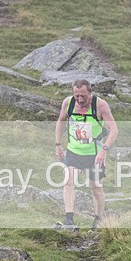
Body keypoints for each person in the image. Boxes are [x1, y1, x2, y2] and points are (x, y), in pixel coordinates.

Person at [55, 79, 118, 229]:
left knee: (95, 187)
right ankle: (69, 219)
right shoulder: (68, 103)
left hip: (94, 154)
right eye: (77, 96)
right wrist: (58, 144)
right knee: (68, 181)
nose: (80, 99)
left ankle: (98, 220)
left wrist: (104, 150)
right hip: (74, 151)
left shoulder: (100, 105)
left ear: (90, 93)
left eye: (83, 96)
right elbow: (60, 121)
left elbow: (114, 130)